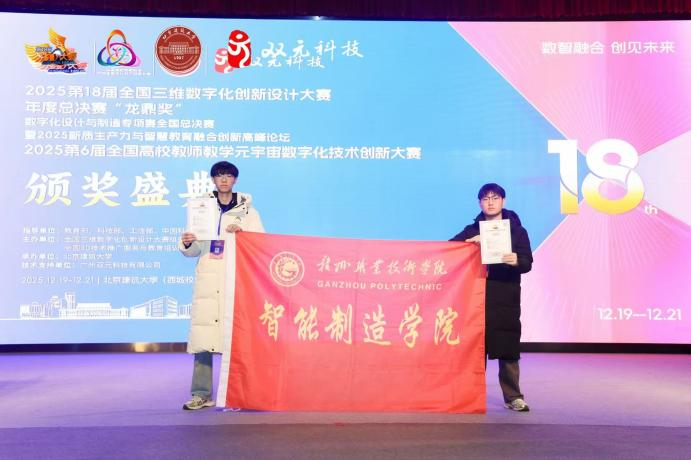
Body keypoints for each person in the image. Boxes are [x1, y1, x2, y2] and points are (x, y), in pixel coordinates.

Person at [179, 161, 264, 410]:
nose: (224, 180)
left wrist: (242, 233)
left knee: (236, 339)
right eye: (219, 176)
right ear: (213, 180)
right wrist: (188, 242)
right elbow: (194, 249)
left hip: (235, 277)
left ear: (235, 179)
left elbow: (259, 243)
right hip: (208, 277)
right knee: (203, 338)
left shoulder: (248, 211)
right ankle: (201, 394)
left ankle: (237, 394)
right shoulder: (201, 208)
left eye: (228, 175)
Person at [450, 183, 533, 412]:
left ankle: (513, 396)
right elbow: (450, 249)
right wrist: (470, 245)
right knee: (476, 349)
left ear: (503, 201)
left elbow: (527, 263)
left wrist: (515, 260)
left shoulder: (517, 231)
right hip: (476, 298)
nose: (490, 202)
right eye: (485, 198)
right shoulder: (472, 229)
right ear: (479, 203)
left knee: (508, 348)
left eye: (495, 198)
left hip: (506, 296)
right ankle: (471, 397)